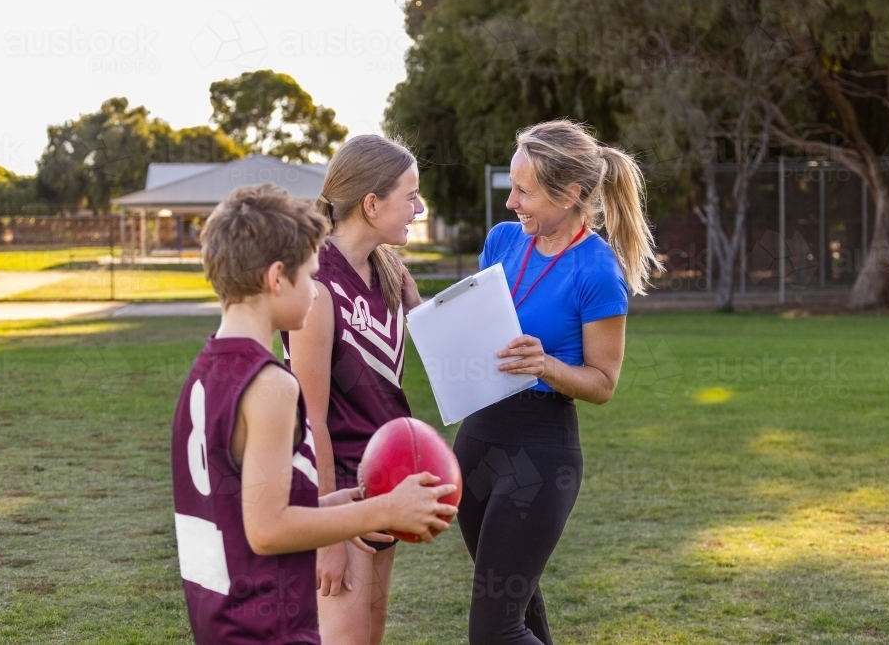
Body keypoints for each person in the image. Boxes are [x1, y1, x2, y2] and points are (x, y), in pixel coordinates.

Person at [171, 184, 456, 645]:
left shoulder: (206, 370)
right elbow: (268, 531)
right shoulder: (271, 385)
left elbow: (247, 513)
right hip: (268, 627)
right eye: (310, 276)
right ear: (277, 278)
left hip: (221, 618)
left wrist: (342, 506)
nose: (317, 290)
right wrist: (387, 508)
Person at [454, 120, 663, 645]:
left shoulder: (597, 270)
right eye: (512, 187)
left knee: (495, 632)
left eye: (523, 192)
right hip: (476, 443)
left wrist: (546, 365)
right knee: (518, 610)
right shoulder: (502, 242)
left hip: (540, 453)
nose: (511, 204)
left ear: (571, 194)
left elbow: (602, 383)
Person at [283, 135, 424, 645]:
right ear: (371, 203)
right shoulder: (317, 283)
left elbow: (389, 380)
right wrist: (327, 535)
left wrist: (416, 306)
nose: (419, 207)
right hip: (337, 483)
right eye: (410, 195)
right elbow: (309, 416)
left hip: (383, 478)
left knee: (369, 636)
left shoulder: (387, 271)